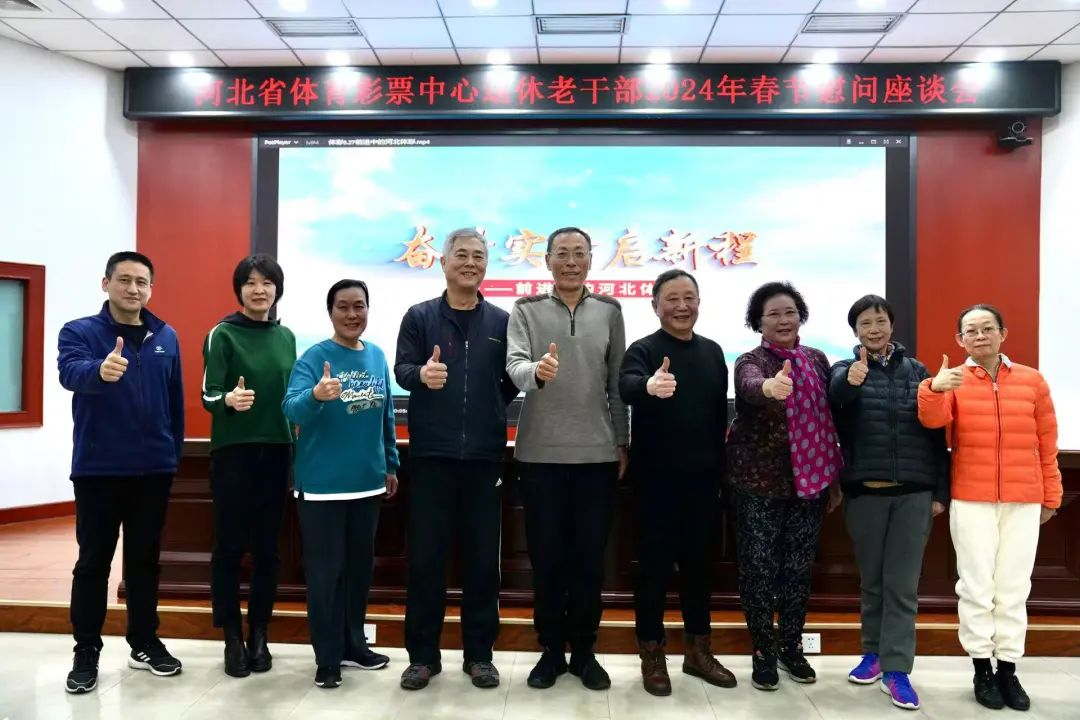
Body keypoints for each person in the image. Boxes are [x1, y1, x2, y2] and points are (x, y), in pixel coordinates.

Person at [918, 304, 1061, 712]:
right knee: (976, 587)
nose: (979, 336)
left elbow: (1047, 441)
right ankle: (982, 668)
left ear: (1003, 333)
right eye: (971, 331)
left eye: (987, 328)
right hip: (971, 498)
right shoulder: (954, 380)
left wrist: (1051, 494)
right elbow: (931, 421)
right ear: (960, 340)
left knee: (1014, 589)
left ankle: (1008, 669)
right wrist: (934, 388)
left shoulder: (1032, 380)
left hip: (1023, 498)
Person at [394, 228, 518, 691]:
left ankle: (480, 656)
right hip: (431, 457)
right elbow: (402, 369)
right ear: (443, 263)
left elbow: (510, 380)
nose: (470, 263)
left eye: (478, 256)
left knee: (483, 563)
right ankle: (422, 658)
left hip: (485, 459)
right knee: (426, 561)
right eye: (461, 255)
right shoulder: (420, 316)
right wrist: (421, 375)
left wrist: (489, 407)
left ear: (486, 265)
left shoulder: (502, 321)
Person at [506, 226, 629, 691]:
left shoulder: (610, 311)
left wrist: (621, 440)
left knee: (588, 562)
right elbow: (514, 365)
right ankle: (551, 651)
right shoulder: (526, 309)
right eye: (562, 254)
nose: (571, 261)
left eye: (579, 253)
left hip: (597, 457)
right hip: (539, 455)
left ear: (591, 259)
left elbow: (617, 382)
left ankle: (584, 652)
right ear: (548, 261)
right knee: (547, 559)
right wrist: (536, 371)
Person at [58, 251, 185, 694]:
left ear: (151, 288)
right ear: (106, 283)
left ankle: (144, 642)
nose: (133, 288)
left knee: (145, 561)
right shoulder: (79, 332)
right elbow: (70, 372)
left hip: (154, 469)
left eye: (141, 282)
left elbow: (174, 401)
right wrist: (100, 370)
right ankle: (86, 650)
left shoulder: (165, 335)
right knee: (93, 562)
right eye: (125, 280)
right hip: (99, 470)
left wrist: (172, 453)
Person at [828, 294, 950, 711]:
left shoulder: (918, 372)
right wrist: (851, 380)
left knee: (902, 585)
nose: (874, 329)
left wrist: (940, 492)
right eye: (865, 323)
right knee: (873, 582)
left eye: (880, 321)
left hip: (913, 494)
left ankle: (897, 668)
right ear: (855, 331)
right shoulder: (844, 369)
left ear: (892, 326)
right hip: (865, 493)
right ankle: (873, 653)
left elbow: (935, 433)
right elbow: (836, 399)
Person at [618, 269, 736, 697]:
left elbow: (719, 418)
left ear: (699, 302)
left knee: (699, 571)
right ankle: (652, 654)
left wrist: (721, 474)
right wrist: (650, 385)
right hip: (655, 485)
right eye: (672, 298)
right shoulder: (643, 349)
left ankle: (698, 651)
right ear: (655, 306)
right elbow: (627, 386)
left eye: (689, 297)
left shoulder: (713, 351)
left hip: (703, 483)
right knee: (652, 572)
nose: (682, 306)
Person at [282, 279, 398, 689]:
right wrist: (316, 395)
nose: (352, 314)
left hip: (368, 484)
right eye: (343, 307)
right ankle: (327, 658)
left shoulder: (377, 355)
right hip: (322, 488)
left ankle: (354, 646)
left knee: (358, 574)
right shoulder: (314, 358)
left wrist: (390, 464)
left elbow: (385, 417)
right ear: (330, 312)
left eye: (359, 306)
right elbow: (290, 409)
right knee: (325, 576)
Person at [726, 281, 842, 692]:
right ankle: (762, 651)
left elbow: (828, 419)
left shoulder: (817, 359)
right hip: (757, 484)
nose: (783, 320)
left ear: (801, 316)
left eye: (789, 311)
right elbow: (749, 386)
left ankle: (791, 646)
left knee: (797, 571)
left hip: (809, 485)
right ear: (758, 322)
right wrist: (771, 388)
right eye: (773, 314)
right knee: (759, 571)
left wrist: (832, 480)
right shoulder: (750, 360)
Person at [201, 254, 296, 678]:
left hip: (277, 451)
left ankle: (260, 633)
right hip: (234, 454)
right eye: (250, 282)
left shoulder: (286, 336)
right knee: (228, 549)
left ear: (277, 289)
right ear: (239, 289)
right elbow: (208, 394)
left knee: (268, 552)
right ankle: (231, 637)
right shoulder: (222, 334)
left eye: (267, 282)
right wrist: (228, 400)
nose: (259, 290)